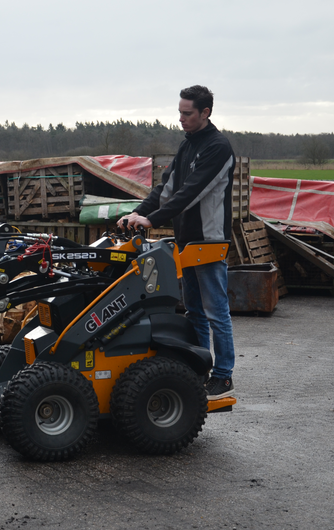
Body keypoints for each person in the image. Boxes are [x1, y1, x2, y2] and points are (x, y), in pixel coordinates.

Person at [117, 85, 236, 400]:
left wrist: (153, 220)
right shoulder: (188, 147)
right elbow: (166, 189)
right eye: (180, 112)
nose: (181, 118)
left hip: (209, 240)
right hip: (187, 240)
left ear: (205, 113)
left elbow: (192, 191)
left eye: (187, 113)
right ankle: (199, 367)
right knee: (194, 310)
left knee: (215, 311)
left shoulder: (218, 147)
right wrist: (138, 212)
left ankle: (223, 375)